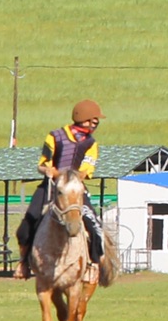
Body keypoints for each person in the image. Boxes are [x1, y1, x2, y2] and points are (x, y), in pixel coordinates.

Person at [16, 100, 107, 277]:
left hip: (75, 188)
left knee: (94, 224)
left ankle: (94, 265)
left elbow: (87, 168)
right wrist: (48, 170)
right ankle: (23, 262)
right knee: (27, 224)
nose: (96, 125)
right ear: (83, 119)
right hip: (51, 185)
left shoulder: (91, 143)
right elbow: (42, 164)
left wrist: (75, 178)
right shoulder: (54, 137)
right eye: (94, 121)